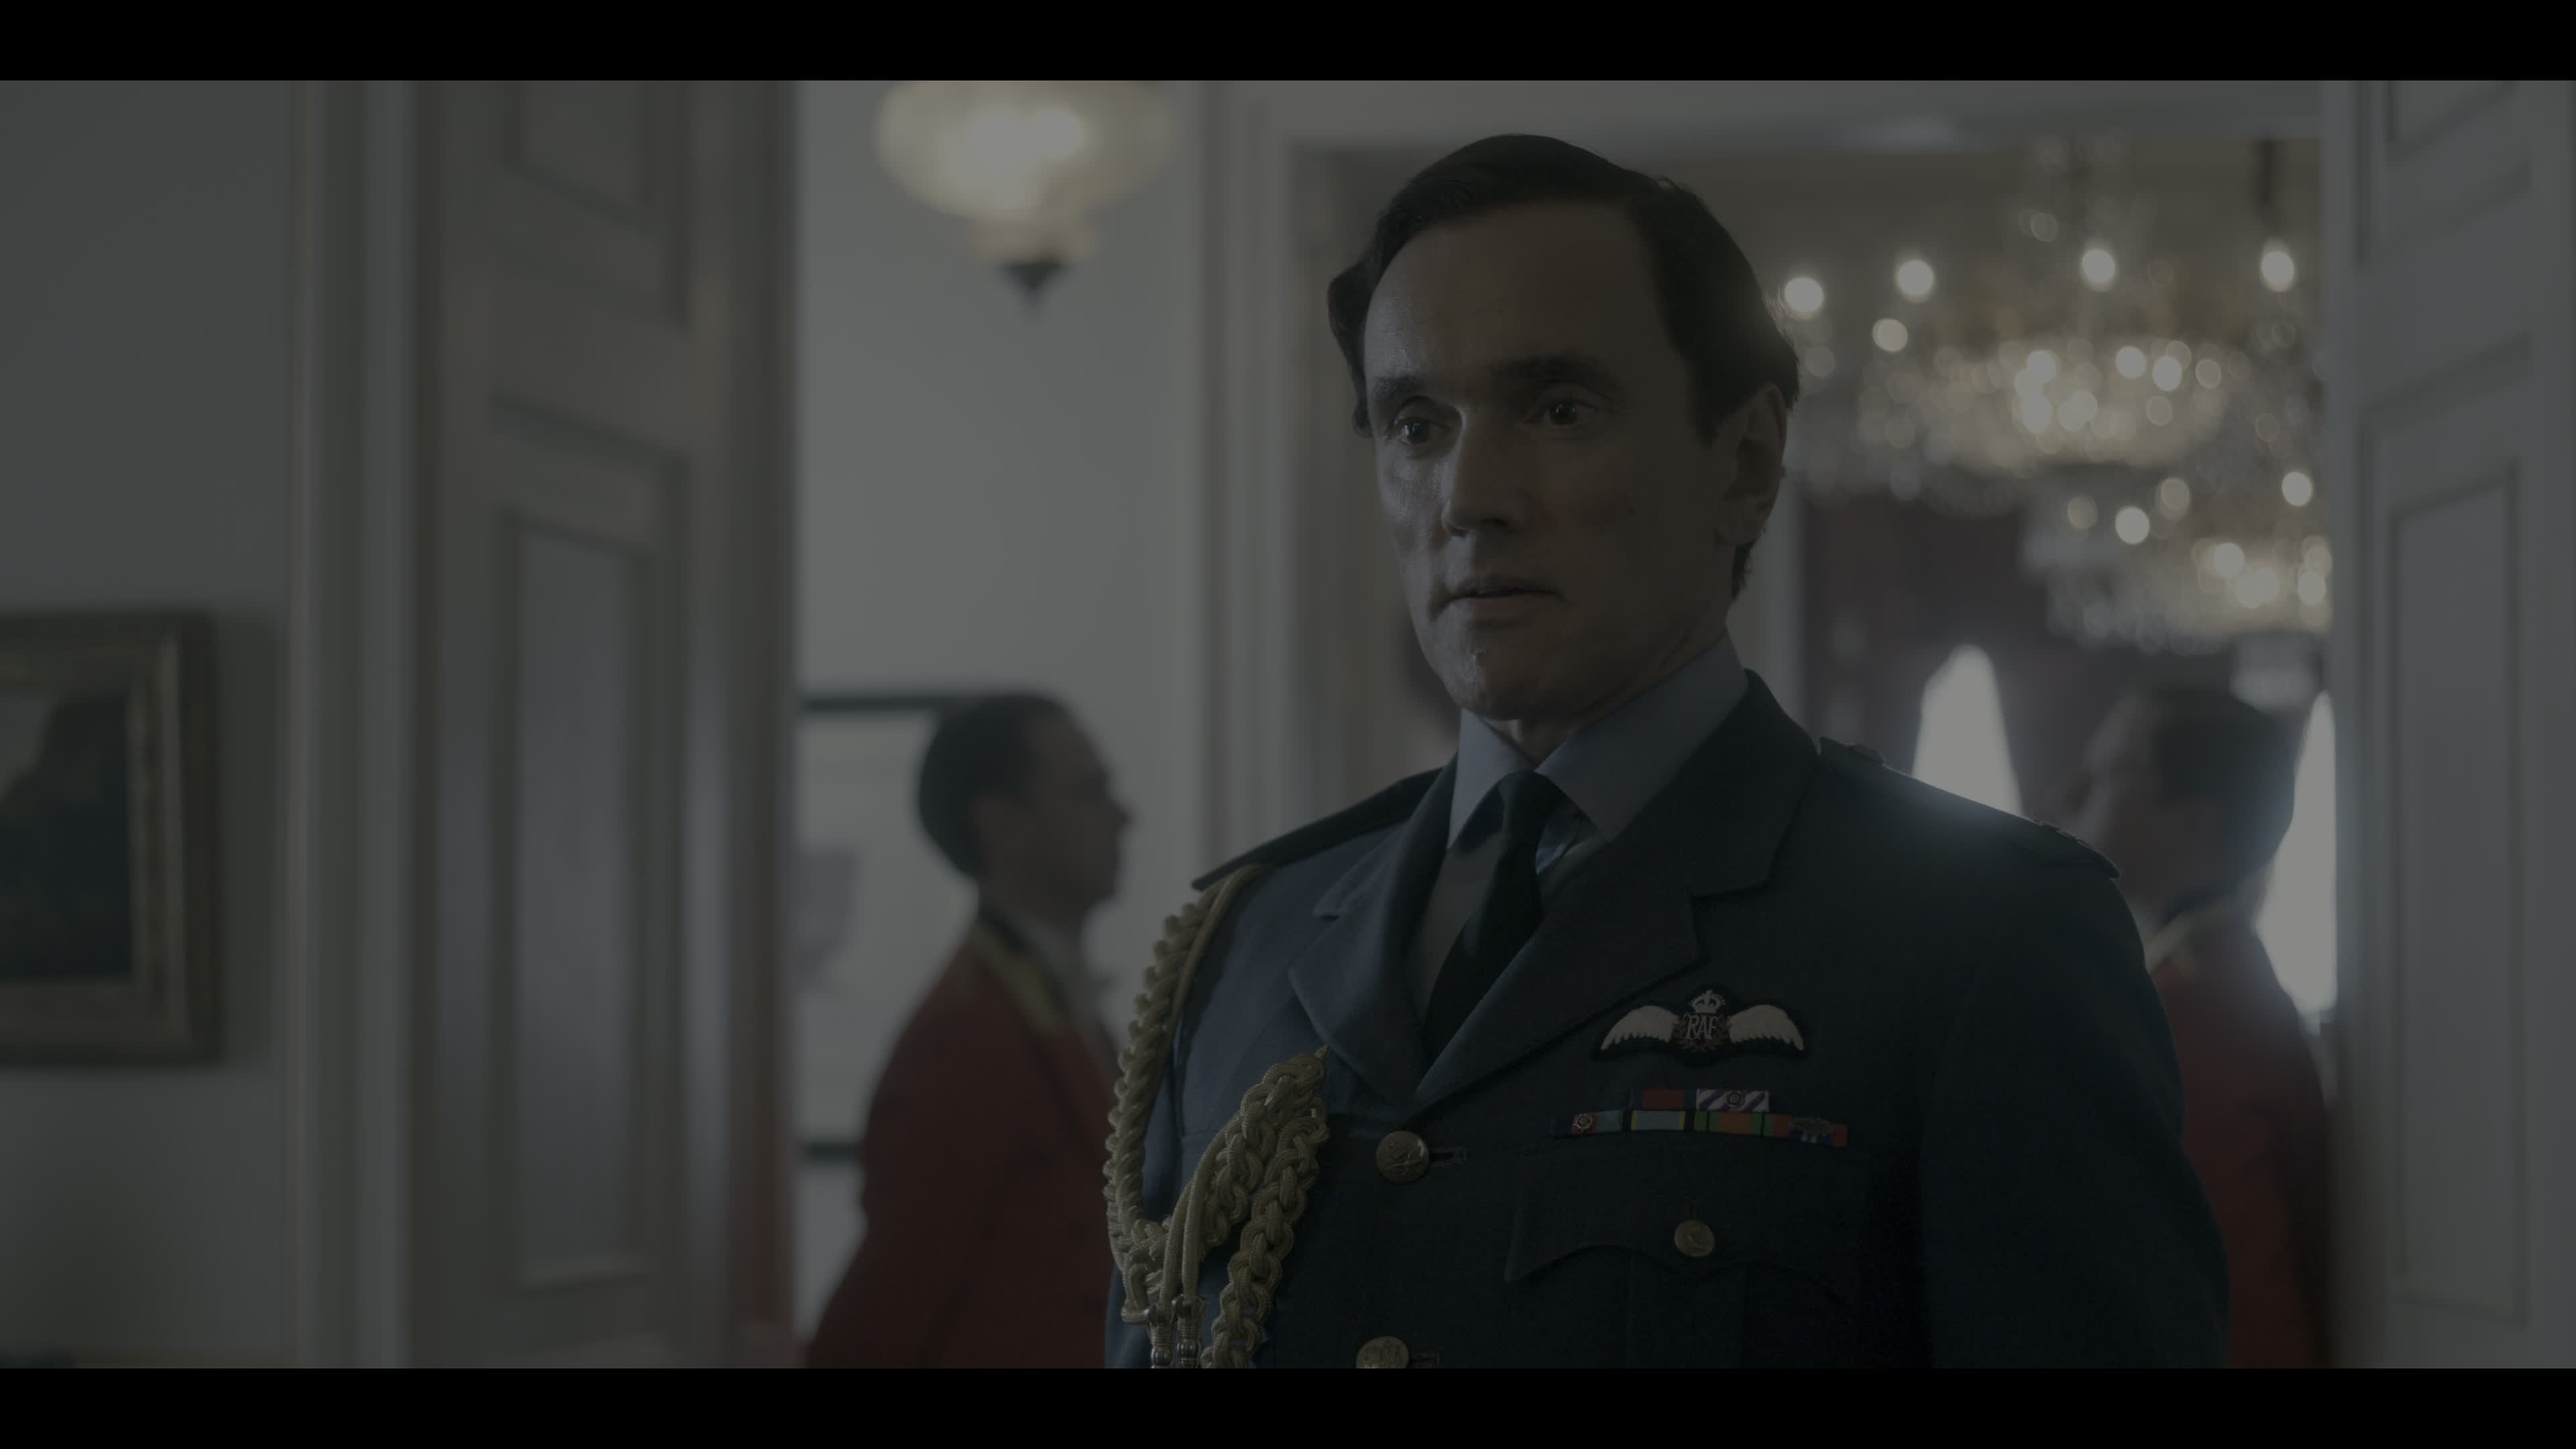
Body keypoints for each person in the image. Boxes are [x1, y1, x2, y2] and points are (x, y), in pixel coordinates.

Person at [1102, 136, 2227, 1369]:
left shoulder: (1980, 937)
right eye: (1416, 425)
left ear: (1743, 464)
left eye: (1559, 410)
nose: (1470, 497)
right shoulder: (1246, 942)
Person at [807, 693, 1131, 1368]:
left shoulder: (1040, 1002)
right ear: (1000, 824)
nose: (1123, 815)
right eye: (1088, 792)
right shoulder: (966, 1034)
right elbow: (881, 1313)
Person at [2056, 685, 2328, 1368]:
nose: (2071, 793)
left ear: (2192, 822)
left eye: (2110, 773)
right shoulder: (2203, 978)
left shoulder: (2193, 1008)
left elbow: (2236, 1296)